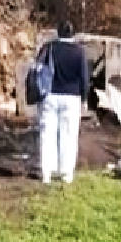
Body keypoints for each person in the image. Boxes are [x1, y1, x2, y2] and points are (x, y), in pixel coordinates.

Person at [38, 21, 89, 185]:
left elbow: (37, 69)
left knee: (47, 135)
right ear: (73, 34)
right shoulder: (79, 52)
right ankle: (66, 174)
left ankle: (46, 173)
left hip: (50, 95)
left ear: (58, 33)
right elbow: (84, 78)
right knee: (69, 135)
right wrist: (85, 98)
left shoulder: (49, 48)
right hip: (72, 97)